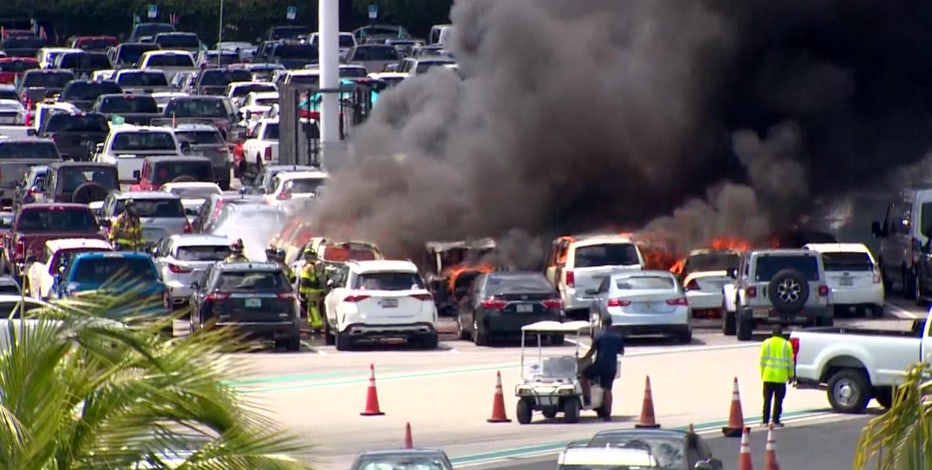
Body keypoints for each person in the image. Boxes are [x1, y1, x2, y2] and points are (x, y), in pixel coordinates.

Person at [580, 314, 625, 421]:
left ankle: (587, 399)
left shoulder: (599, 335)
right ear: (611, 323)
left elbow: (592, 351)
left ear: (602, 323)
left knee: (584, 376)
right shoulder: (617, 336)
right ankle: (607, 414)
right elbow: (621, 352)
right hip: (611, 367)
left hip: (600, 365)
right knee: (608, 389)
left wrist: (583, 360)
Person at [760, 325, 795, 427]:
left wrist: (762, 373)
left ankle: (765, 421)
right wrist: (791, 375)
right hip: (781, 377)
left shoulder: (766, 343)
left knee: (767, 400)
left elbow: (762, 361)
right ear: (781, 333)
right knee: (778, 400)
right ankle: (776, 420)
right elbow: (790, 362)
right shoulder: (787, 345)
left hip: (768, 375)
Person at [299, 247, 324, 334]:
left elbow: (304, 281)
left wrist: (302, 293)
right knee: (318, 309)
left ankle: (317, 327)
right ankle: (314, 324)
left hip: (312, 292)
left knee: (313, 309)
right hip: (321, 291)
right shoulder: (321, 266)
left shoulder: (307, 267)